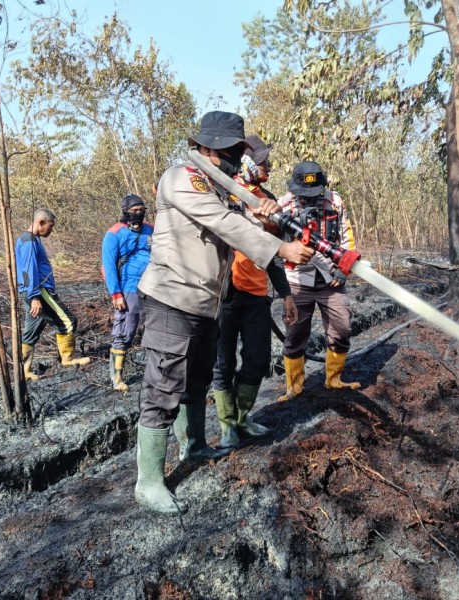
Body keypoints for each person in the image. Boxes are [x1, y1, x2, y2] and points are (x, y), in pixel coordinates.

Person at [134, 111, 314, 515]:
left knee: (195, 379)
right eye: (235, 151)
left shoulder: (217, 186)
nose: (240, 159)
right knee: (163, 385)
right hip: (171, 300)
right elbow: (222, 223)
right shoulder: (183, 177)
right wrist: (280, 249)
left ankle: (194, 446)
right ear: (212, 149)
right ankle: (148, 482)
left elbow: (234, 217)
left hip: (203, 303)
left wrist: (263, 217)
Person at [212, 136, 298, 449]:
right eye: (263, 161)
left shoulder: (267, 200)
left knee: (258, 358)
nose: (269, 167)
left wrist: (286, 293)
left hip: (257, 293)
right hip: (224, 294)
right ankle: (227, 426)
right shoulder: (222, 193)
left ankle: (243, 416)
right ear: (245, 160)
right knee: (222, 363)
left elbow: (272, 252)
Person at [277, 161, 360, 402]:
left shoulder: (335, 201)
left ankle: (334, 379)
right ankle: (294, 387)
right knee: (294, 332)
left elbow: (347, 238)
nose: (310, 199)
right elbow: (273, 244)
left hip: (330, 278)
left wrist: (344, 270)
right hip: (297, 279)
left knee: (342, 326)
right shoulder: (283, 205)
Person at [16, 208, 90, 381]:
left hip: (31, 291)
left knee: (31, 330)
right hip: (38, 291)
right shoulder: (29, 241)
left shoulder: (28, 239)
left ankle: (24, 371)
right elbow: (28, 270)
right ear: (41, 222)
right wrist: (34, 297)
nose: (51, 230)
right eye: (50, 226)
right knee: (68, 321)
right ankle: (68, 359)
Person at [101, 194, 154, 392]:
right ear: (125, 212)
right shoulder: (114, 234)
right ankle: (117, 378)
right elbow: (108, 266)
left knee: (155, 328)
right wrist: (116, 294)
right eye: (134, 211)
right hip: (129, 288)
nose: (138, 214)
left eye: (141, 210)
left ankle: (155, 370)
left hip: (153, 287)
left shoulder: (150, 230)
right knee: (125, 330)